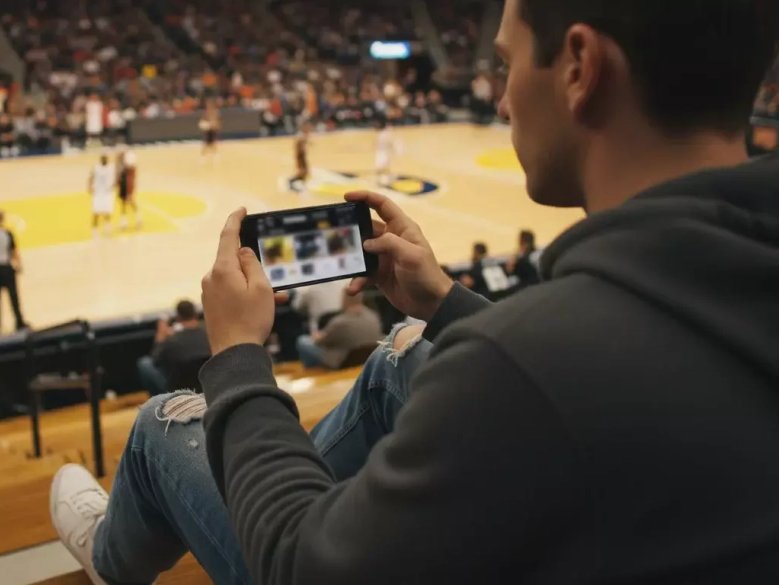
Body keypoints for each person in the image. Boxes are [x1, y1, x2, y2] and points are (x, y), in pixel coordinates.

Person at [49, 0, 779, 583]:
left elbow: (303, 569)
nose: (499, 102)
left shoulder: (524, 366)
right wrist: (449, 306)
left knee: (164, 424)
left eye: (505, 64)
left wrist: (238, 357)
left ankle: (114, 554)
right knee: (403, 350)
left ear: (580, 67)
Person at [135, 300, 210, 396]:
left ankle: (160, 401)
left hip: (178, 389)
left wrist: (160, 337)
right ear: (195, 314)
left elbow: (156, 359)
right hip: (207, 384)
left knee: (145, 363)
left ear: (178, 317)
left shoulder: (171, 341)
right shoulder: (209, 333)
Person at [295, 292, 382, 369]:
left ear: (345, 299)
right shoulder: (373, 316)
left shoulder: (341, 322)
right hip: (365, 359)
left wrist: (316, 335)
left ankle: (312, 374)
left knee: (303, 341)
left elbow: (319, 341)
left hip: (341, 360)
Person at [89, 154, 116, 237]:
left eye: (105, 159)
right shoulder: (96, 168)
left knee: (108, 212)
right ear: (101, 160)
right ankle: (94, 231)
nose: (104, 160)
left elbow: (116, 176)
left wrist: (114, 184)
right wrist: (90, 186)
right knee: (96, 213)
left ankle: (107, 230)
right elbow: (91, 177)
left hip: (107, 193)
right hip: (98, 193)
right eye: (103, 159)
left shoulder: (111, 167)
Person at [116, 149, 141, 230]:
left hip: (128, 183)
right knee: (123, 202)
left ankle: (138, 218)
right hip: (124, 183)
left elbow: (131, 176)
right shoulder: (123, 166)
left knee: (130, 200)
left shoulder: (130, 169)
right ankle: (124, 222)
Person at [374, 118, 395, 187]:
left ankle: (387, 182)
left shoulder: (385, 134)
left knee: (384, 168)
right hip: (380, 152)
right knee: (380, 168)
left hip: (384, 152)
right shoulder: (381, 134)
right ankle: (380, 181)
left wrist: (391, 151)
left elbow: (390, 144)